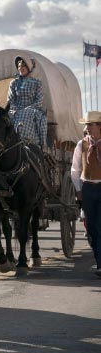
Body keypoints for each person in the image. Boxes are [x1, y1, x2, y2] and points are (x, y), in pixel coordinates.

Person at [71, 111, 101, 278]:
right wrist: (78, 189)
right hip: (88, 189)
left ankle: (100, 263)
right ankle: (99, 258)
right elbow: (75, 169)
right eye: (87, 125)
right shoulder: (81, 144)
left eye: (90, 124)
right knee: (91, 228)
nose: (87, 128)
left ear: (99, 126)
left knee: (100, 226)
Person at [7, 56, 48, 148]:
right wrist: (14, 108)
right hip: (16, 109)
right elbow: (10, 99)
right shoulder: (13, 83)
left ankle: (40, 145)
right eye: (19, 66)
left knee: (32, 116)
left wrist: (29, 108)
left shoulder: (37, 82)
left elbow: (39, 100)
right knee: (4, 117)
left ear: (29, 67)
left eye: (23, 66)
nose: (21, 68)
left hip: (32, 108)